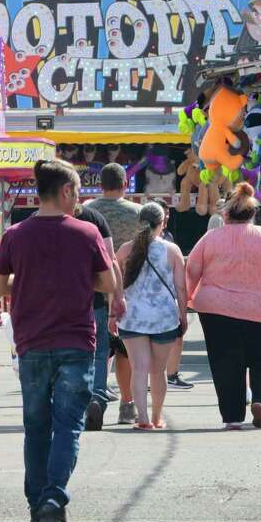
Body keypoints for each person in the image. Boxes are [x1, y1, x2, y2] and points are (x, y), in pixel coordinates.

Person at [0, 159, 117, 522]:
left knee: (36, 427)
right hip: (75, 341)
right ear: (65, 191)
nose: (78, 201)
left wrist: (28, 284)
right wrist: (75, 281)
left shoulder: (15, 235)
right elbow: (109, 283)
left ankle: (36, 506)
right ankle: (52, 501)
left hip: (31, 342)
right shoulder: (86, 233)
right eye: (76, 193)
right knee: (68, 426)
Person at [187, 182, 261, 429]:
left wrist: (187, 298)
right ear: (253, 214)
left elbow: (192, 270)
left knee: (225, 362)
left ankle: (232, 417)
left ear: (225, 214)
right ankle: (260, 399)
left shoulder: (210, 237)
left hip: (215, 310)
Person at [114, 202, 188, 430]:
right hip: (163, 318)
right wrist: (183, 316)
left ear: (139, 222)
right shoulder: (172, 251)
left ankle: (143, 418)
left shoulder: (125, 250)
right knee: (158, 371)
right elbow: (181, 288)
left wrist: (112, 314)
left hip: (132, 318)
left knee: (139, 369)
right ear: (162, 223)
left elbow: (115, 285)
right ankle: (157, 417)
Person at [85, 163, 140, 423]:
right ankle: (127, 405)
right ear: (125, 184)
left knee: (94, 348)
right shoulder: (138, 213)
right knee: (125, 350)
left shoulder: (88, 210)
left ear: (100, 184)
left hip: (94, 286)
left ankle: (92, 397)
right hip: (131, 289)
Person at [75, 202, 117, 430]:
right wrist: (115, 299)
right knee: (99, 351)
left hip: (54, 302)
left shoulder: (37, 219)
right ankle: (97, 398)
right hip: (95, 299)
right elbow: (110, 260)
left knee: (68, 352)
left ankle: (73, 403)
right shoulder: (95, 219)